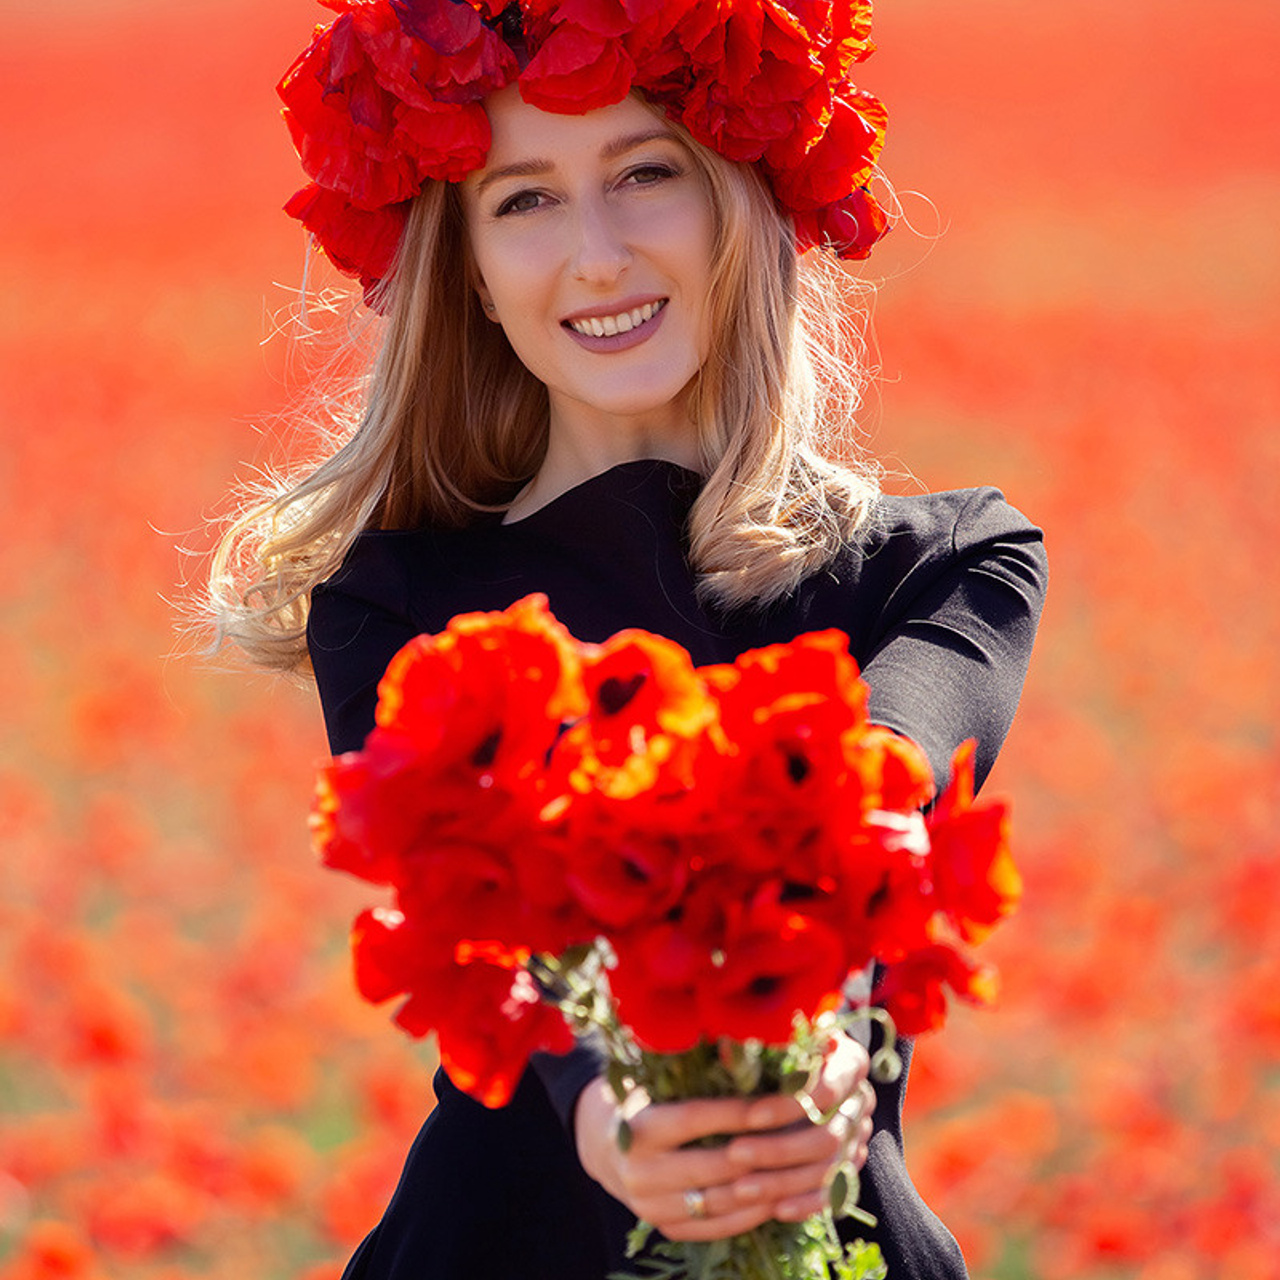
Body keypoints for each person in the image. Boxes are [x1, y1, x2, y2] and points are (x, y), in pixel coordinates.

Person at [209, 2, 1047, 1277]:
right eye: (522, 199)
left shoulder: (948, 568)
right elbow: (503, 920)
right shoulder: (396, 612)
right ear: (471, 272)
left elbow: (879, 780)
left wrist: (811, 1042)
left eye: (645, 173)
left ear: (739, 202)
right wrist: (618, 1106)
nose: (594, 254)